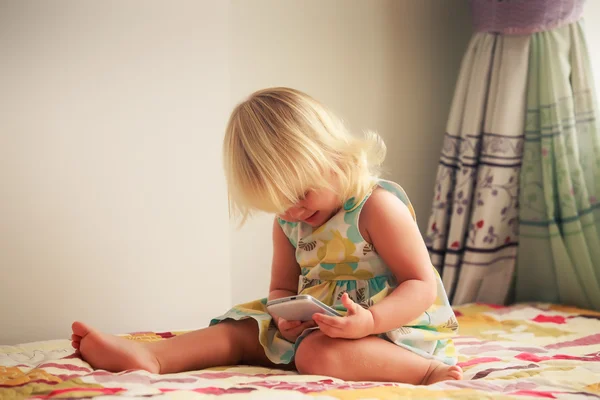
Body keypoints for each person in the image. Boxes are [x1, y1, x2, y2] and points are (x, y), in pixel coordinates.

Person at [71, 87, 463, 385]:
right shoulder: (290, 222)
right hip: (322, 321)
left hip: (394, 329)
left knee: (316, 354)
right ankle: (151, 357)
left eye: (300, 194)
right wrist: (284, 316)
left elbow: (420, 285)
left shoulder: (377, 208)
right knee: (242, 328)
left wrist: (370, 321)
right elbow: (280, 287)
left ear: (334, 158)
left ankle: (429, 373)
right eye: (278, 203)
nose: (293, 211)